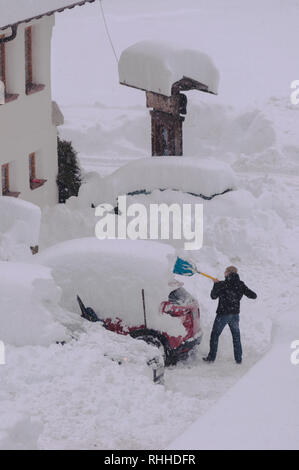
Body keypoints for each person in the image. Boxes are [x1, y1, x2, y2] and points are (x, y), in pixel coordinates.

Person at [203, 266, 257, 364]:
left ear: (227, 273)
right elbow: (253, 295)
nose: (224, 273)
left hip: (223, 314)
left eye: (225, 272)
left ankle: (211, 358)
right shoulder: (240, 284)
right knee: (236, 337)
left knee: (215, 335)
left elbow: (213, 296)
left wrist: (216, 285)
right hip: (235, 315)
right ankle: (238, 359)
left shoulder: (223, 284)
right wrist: (240, 292)